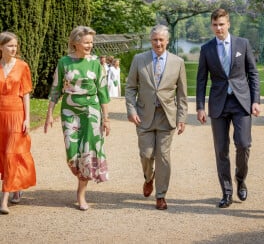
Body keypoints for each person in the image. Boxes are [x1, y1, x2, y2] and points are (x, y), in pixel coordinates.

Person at [196, 8, 260, 208]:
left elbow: (253, 73)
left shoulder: (243, 44)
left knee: (243, 144)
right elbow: (200, 80)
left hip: (241, 102)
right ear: (211, 26)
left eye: (222, 24)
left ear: (229, 24)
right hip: (218, 103)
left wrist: (256, 100)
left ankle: (240, 179)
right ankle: (227, 192)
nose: (218, 28)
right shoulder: (206, 49)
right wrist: (200, 106)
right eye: (215, 25)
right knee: (221, 150)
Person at [44, 26, 110, 211]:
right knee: (72, 154)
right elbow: (56, 89)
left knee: (87, 153)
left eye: (91, 42)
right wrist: (49, 114)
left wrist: (106, 119)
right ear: (75, 43)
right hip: (69, 112)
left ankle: (81, 195)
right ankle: (79, 174)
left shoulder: (96, 63)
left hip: (91, 112)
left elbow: (103, 92)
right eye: (86, 42)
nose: (90, 45)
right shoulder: (64, 62)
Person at [125, 24, 188, 210]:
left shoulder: (178, 62)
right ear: (150, 41)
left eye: (161, 40)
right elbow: (130, 88)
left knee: (164, 157)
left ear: (167, 41)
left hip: (166, 116)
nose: (158, 43)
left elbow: (182, 95)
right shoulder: (139, 60)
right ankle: (148, 177)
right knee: (146, 154)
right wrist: (131, 110)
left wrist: (182, 118)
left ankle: (161, 195)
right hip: (143, 115)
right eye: (155, 40)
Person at [0, 31, 36, 215]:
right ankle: (15, 186)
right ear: (1, 47)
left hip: (15, 114)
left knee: (10, 155)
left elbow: (26, 93)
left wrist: (27, 118)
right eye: (10, 46)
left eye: (15, 46)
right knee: (2, 156)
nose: (14, 49)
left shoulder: (22, 66)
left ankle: (4, 200)